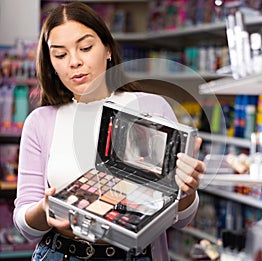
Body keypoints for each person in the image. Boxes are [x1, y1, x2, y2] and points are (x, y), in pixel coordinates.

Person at [13, 2, 205, 261]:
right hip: (60, 253)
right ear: (51, 64)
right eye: (60, 55)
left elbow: (181, 219)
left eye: (85, 47)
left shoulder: (151, 106)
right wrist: (45, 209)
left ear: (107, 50)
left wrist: (187, 189)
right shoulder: (40, 121)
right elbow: (24, 224)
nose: (75, 62)